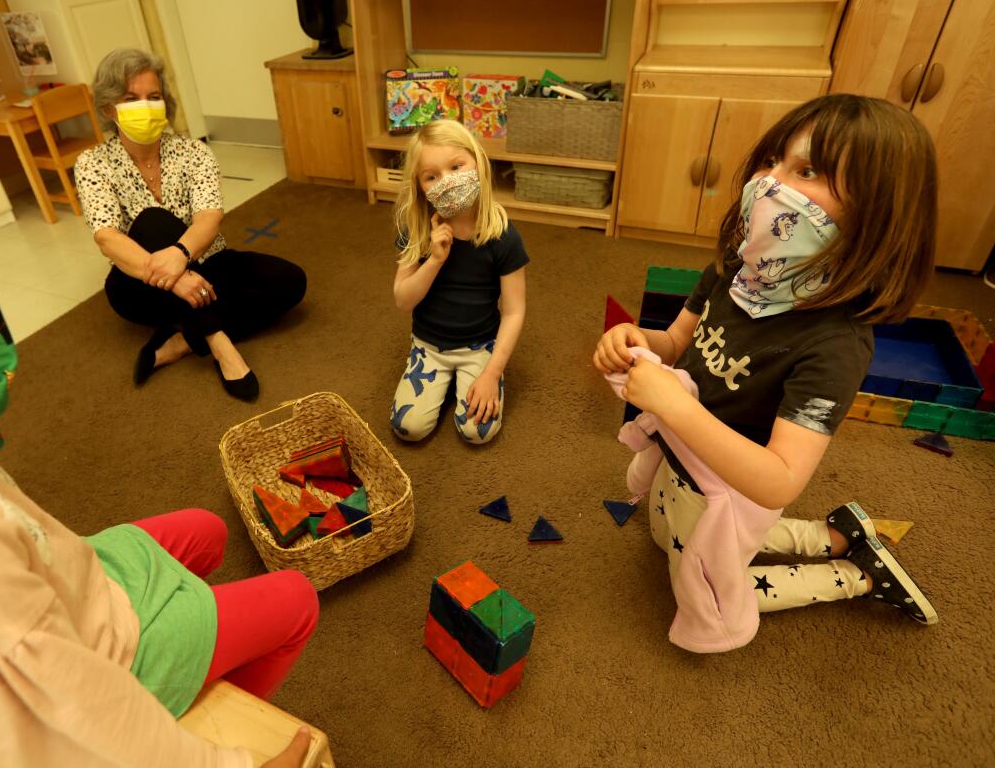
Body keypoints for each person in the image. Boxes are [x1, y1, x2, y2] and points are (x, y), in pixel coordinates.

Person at [0, 87, 317, 767]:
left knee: (208, 528)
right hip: (99, 655)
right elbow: (78, 720)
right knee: (295, 597)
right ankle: (217, 710)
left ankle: (194, 337)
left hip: (67, 580)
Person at [593, 94, 939, 628]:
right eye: (772, 161)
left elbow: (778, 481)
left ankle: (859, 576)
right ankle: (834, 536)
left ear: (878, 211)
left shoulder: (836, 344)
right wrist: (636, 339)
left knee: (710, 591)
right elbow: (677, 340)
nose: (770, 182)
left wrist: (675, 407)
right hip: (681, 458)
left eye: (807, 170)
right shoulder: (739, 266)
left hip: (733, 484)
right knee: (666, 534)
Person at [74, 48, 307, 399]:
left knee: (291, 282)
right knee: (152, 221)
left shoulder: (193, 152)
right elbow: (106, 237)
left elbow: (209, 216)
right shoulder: (92, 163)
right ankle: (219, 343)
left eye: (153, 97)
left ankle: (183, 338)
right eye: (131, 98)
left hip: (207, 263)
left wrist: (182, 259)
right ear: (109, 109)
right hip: (139, 283)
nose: (145, 106)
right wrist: (177, 278)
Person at [389, 119, 528, 444]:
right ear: (420, 186)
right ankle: (444, 378)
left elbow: (514, 312)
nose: (447, 182)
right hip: (429, 344)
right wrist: (435, 260)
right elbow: (403, 300)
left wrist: (492, 372)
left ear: (477, 162)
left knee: (477, 432)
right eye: (432, 176)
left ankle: (468, 376)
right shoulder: (418, 229)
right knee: (408, 428)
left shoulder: (503, 235)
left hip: (479, 345)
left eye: (456, 166)